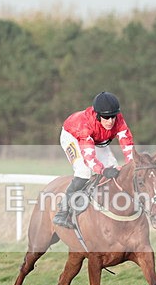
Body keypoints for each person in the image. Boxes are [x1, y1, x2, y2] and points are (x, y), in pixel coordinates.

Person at [53, 91, 135, 229]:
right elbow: (89, 159)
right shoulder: (84, 127)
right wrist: (102, 170)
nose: (110, 121)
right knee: (84, 171)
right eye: (106, 117)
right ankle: (63, 211)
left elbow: (128, 146)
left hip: (97, 139)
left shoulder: (119, 120)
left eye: (113, 117)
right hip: (72, 136)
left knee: (114, 167)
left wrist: (132, 166)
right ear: (97, 115)